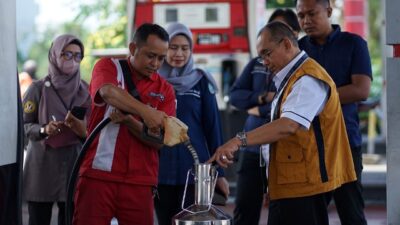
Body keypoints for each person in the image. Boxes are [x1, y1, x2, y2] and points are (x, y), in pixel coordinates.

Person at [209, 21, 357, 225]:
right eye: (261, 56)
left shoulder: (308, 79)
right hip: (291, 182)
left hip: (304, 185)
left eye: (267, 53)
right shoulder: (292, 77)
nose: (264, 61)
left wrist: (238, 140)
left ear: (287, 44)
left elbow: (287, 125)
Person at [72, 23, 176, 225]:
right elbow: (108, 92)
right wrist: (146, 112)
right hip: (98, 175)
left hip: (141, 181)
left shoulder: (166, 90)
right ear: (132, 49)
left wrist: (130, 121)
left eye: (161, 58)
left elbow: (160, 142)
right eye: (150, 55)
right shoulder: (108, 66)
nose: (155, 63)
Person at [295, 0, 372, 224]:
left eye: (312, 13)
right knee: (311, 215)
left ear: (328, 11)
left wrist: (313, 101)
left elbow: (361, 89)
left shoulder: (353, 44)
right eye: (301, 16)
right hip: (308, 144)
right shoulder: (298, 50)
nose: (306, 21)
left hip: (345, 142)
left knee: (351, 213)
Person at [229, 9, 300, 225]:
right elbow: (235, 96)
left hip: (283, 150)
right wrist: (260, 98)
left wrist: (258, 109)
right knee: (244, 209)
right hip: (252, 149)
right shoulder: (256, 64)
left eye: (278, 33)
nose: (266, 59)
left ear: (291, 37)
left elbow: (284, 113)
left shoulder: (302, 71)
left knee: (281, 212)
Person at [155, 22, 229, 225]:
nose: (179, 53)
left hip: (196, 170)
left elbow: (213, 129)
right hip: (159, 169)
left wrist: (219, 173)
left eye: (185, 48)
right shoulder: (153, 81)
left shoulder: (201, 81)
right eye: (173, 47)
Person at [22, 34, 90, 225]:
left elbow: (93, 130)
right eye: (67, 54)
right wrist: (44, 130)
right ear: (54, 55)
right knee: (38, 218)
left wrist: (81, 128)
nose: (73, 61)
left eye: (78, 56)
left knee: (70, 218)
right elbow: (24, 126)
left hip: (72, 164)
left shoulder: (85, 90)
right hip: (42, 166)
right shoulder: (37, 88)